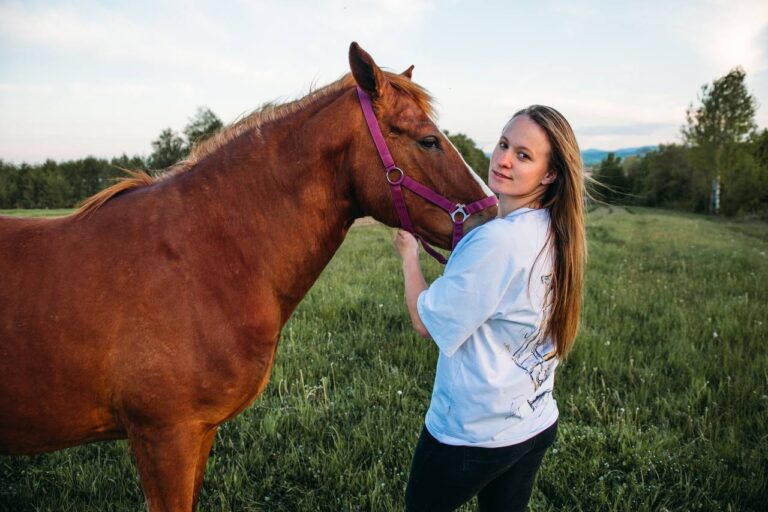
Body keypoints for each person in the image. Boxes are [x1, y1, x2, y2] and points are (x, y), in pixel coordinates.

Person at [395, 105, 586, 512]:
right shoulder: (558, 230)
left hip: (471, 435)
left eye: (523, 155)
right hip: (534, 422)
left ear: (549, 174)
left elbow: (425, 322)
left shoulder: (496, 242)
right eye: (503, 144)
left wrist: (408, 254)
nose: (503, 159)